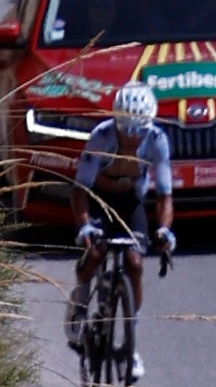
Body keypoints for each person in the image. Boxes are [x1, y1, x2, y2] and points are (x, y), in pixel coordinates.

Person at [64, 88, 174, 351]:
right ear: (116, 122)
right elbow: (80, 189)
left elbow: (164, 194)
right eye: (126, 130)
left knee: (135, 263)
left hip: (130, 202)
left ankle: (130, 338)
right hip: (99, 200)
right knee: (94, 253)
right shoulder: (101, 137)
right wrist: (85, 225)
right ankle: (80, 300)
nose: (133, 137)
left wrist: (164, 230)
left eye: (139, 131)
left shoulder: (157, 139)